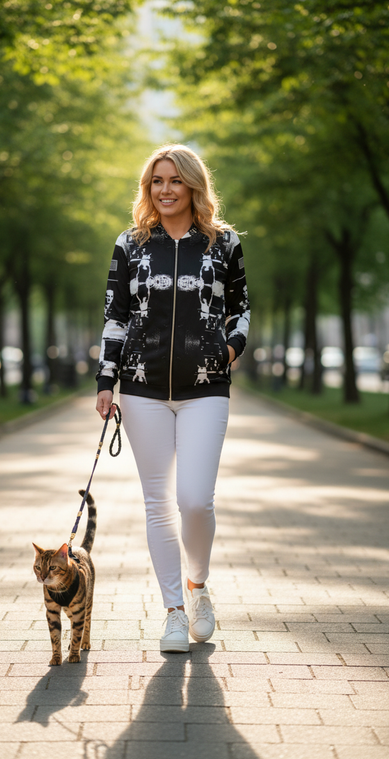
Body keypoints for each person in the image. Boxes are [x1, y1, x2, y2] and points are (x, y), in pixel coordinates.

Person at [96, 144, 250, 652]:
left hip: (206, 388)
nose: (165, 190)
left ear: (193, 185)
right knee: (157, 503)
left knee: (195, 500)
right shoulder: (131, 244)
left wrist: (229, 350)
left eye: (175, 180)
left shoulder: (223, 244)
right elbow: (115, 316)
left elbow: (241, 309)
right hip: (142, 390)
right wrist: (106, 380)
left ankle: (197, 587)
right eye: (157, 181)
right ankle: (174, 613)